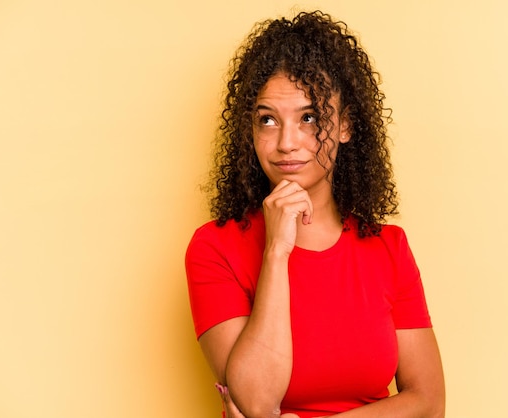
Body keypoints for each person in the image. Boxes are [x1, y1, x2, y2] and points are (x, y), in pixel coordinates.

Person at [185, 10, 445, 418]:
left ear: (345, 125)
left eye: (309, 118)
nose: (286, 143)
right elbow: (256, 402)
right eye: (268, 120)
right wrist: (276, 252)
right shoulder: (214, 248)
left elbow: (428, 404)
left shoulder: (388, 248)